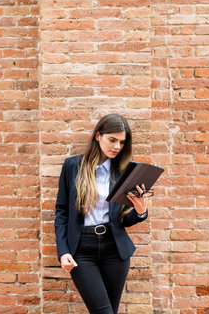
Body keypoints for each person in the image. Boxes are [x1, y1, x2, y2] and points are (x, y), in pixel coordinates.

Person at [54, 113, 149, 314]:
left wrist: (140, 212)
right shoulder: (73, 166)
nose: (117, 146)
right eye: (112, 140)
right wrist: (63, 251)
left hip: (115, 249)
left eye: (122, 142)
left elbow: (123, 219)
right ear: (98, 136)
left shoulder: (123, 171)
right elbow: (62, 211)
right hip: (82, 249)